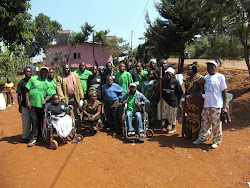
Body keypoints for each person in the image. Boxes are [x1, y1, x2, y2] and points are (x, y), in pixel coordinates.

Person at [193, 60, 228, 149]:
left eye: (211, 66)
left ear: (215, 67)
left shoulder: (220, 77)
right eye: (208, 66)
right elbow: (205, 91)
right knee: (205, 123)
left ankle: (216, 140)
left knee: (216, 124)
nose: (209, 68)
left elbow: (224, 92)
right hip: (207, 104)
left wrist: (224, 106)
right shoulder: (206, 78)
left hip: (216, 105)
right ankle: (202, 138)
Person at [25, 67, 51, 147]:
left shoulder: (48, 82)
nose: (44, 74)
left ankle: (40, 136)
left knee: (40, 121)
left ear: (47, 74)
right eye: (42, 72)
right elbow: (26, 91)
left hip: (41, 106)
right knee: (34, 121)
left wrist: (45, 100)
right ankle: (33, 137)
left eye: (45, 72)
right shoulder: (33, 79)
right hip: (33, 105)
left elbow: (49, 94)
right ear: (40, 72)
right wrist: (27, 102)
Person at [56, 64, 84, 132]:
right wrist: (62, 96)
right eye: (65, 69)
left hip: (75, 97)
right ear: (63, 70)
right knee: (67, 114)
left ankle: (79, 127)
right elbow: (58, 88)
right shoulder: (59, 77)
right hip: (66, 98)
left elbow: (79, 85)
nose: (66, 70)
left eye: (67, 68)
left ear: (69, 69)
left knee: (77, 113)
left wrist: (82, 96)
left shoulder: (75, 75)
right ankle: (69, 129)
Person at [182, 64, 205, 140]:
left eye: (189, 70)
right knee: (189, 118)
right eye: (187, 70)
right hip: (189, 103)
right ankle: (188, 134)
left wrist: (191, 96)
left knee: (196, 118)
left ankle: (196, 135)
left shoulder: (199, 79)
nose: (187, 71)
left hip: (197, 103)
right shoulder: (187, 80)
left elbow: (202, 91)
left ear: (194, 70)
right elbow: (186, 92)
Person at [157, 67, 183, 133]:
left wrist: (179, 102)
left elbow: (180, 92)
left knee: (173, 115)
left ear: (172, 75)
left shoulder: (175, 82)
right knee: (166, 114)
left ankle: (173, 127)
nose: (168, 76)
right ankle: (167, 125)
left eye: (170, 74)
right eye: (167, 74)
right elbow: (160, 89)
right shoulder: (164, 81)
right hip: (165, 100)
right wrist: (159, 81)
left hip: (173, 101)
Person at [16, 66, 32, 143]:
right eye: (26, 72)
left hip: (34, 105)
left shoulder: (34, 81)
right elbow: (19, 95)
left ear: (31, 72)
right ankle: (25, 136)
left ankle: (36, 135)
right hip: (24, 105)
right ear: (24, 73)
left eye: (29, 71)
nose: (27, 73)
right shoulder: (21, 82)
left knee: (35, 121)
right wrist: (19, 105)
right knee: (26, 121)